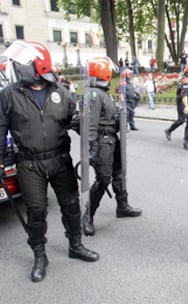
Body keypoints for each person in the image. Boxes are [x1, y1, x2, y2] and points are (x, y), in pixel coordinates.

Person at [0, 40, 99, 283]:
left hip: (60, 160)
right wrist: (1, 162)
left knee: (71, 205)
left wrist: (83, 123)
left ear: (38, 65)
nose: (17, 65)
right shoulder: (9, 95)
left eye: (23, 62)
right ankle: (40, 256)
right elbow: (0, 129)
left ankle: (75, 245)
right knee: (36, 212)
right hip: (29, 164)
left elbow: (73, 121)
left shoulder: (61, 93)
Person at [81, 57, 142, 237]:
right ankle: (88, 215)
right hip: (102, 142)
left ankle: (122, 205)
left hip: (111, 140)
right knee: (103, 179)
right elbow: (91, 124)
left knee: (118, 172)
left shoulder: (101, 91)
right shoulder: (93, 94)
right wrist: (91, 148)